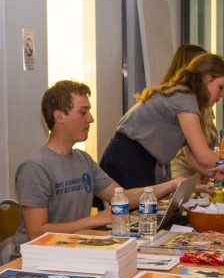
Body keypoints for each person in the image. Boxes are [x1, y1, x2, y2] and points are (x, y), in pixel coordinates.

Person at [13, 80, 183, 246]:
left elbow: (122, 197)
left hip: (72, 248)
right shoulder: (35, 167)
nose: (91, 119)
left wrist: (173, 185)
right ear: (59, 116)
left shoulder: (83, 160)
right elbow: (36, 232)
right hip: (37, 259)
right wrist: (95, 220)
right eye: (83, 112)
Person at [100, 53, 224, 188]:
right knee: (135, 208)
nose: (222, 95)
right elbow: (203, 155)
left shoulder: (185, 97)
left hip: (136, 159)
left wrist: (217, 174)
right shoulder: (185, 98)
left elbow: (194, 161)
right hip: (128, 158)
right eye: (221, 87)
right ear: (207, 78)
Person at [163, 44, 215, 179]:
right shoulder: (183, 101)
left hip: (200, 175)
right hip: (182, 175)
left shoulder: (198, 104)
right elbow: (199, 157)